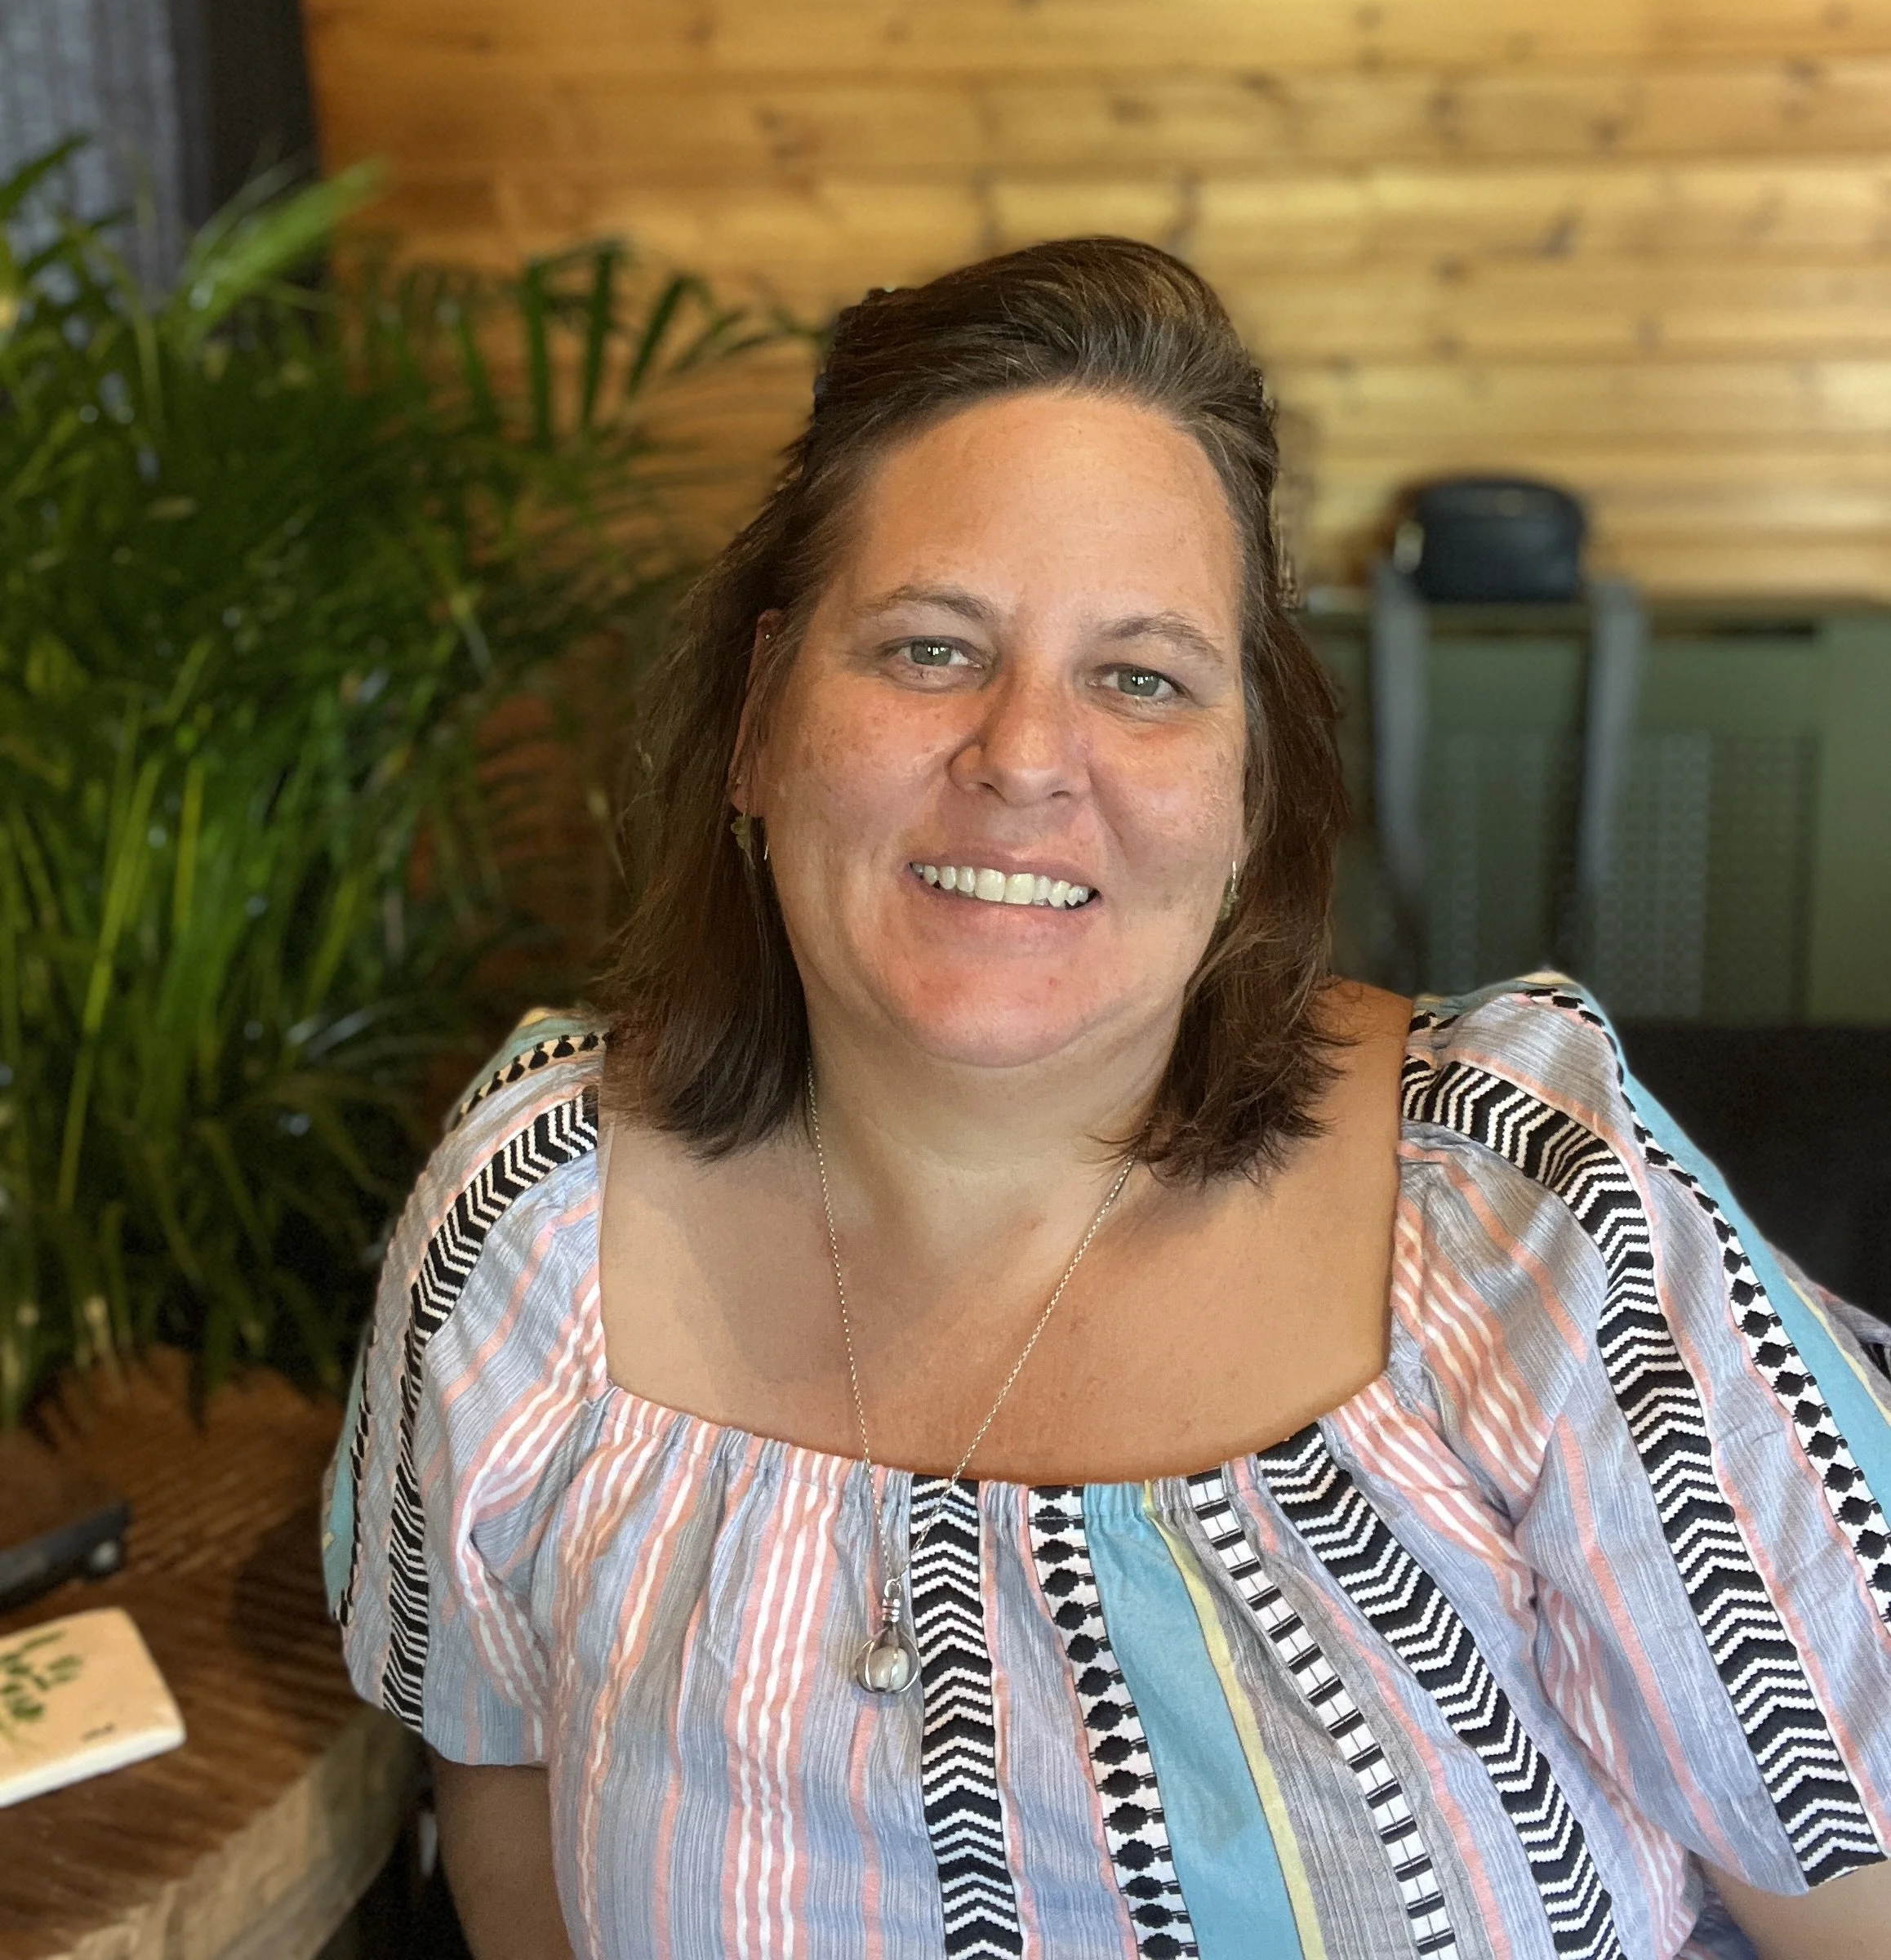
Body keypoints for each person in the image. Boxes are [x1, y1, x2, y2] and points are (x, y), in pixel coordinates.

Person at [323, 238, 1891, 1960]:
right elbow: (504, 1818)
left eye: (1141, 676)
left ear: (1248, 789)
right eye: (930, 647)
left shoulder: (1528, 1214)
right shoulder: (530, 1217)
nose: (1022, 755)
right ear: (761, 720)